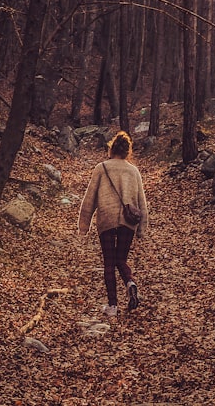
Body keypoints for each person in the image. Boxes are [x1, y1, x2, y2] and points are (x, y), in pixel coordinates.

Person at [78, 131, 148, 317]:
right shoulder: (134, 171)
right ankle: (130, 283)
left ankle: (112, 306)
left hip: (107, 219)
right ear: (127, 152)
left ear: (111, 149)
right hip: (128, 221)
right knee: (121, 260)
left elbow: (90, 198)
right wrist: (142, 228)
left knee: (109, 262)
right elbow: (142, 202)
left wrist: (83, 225)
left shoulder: (101, 168)